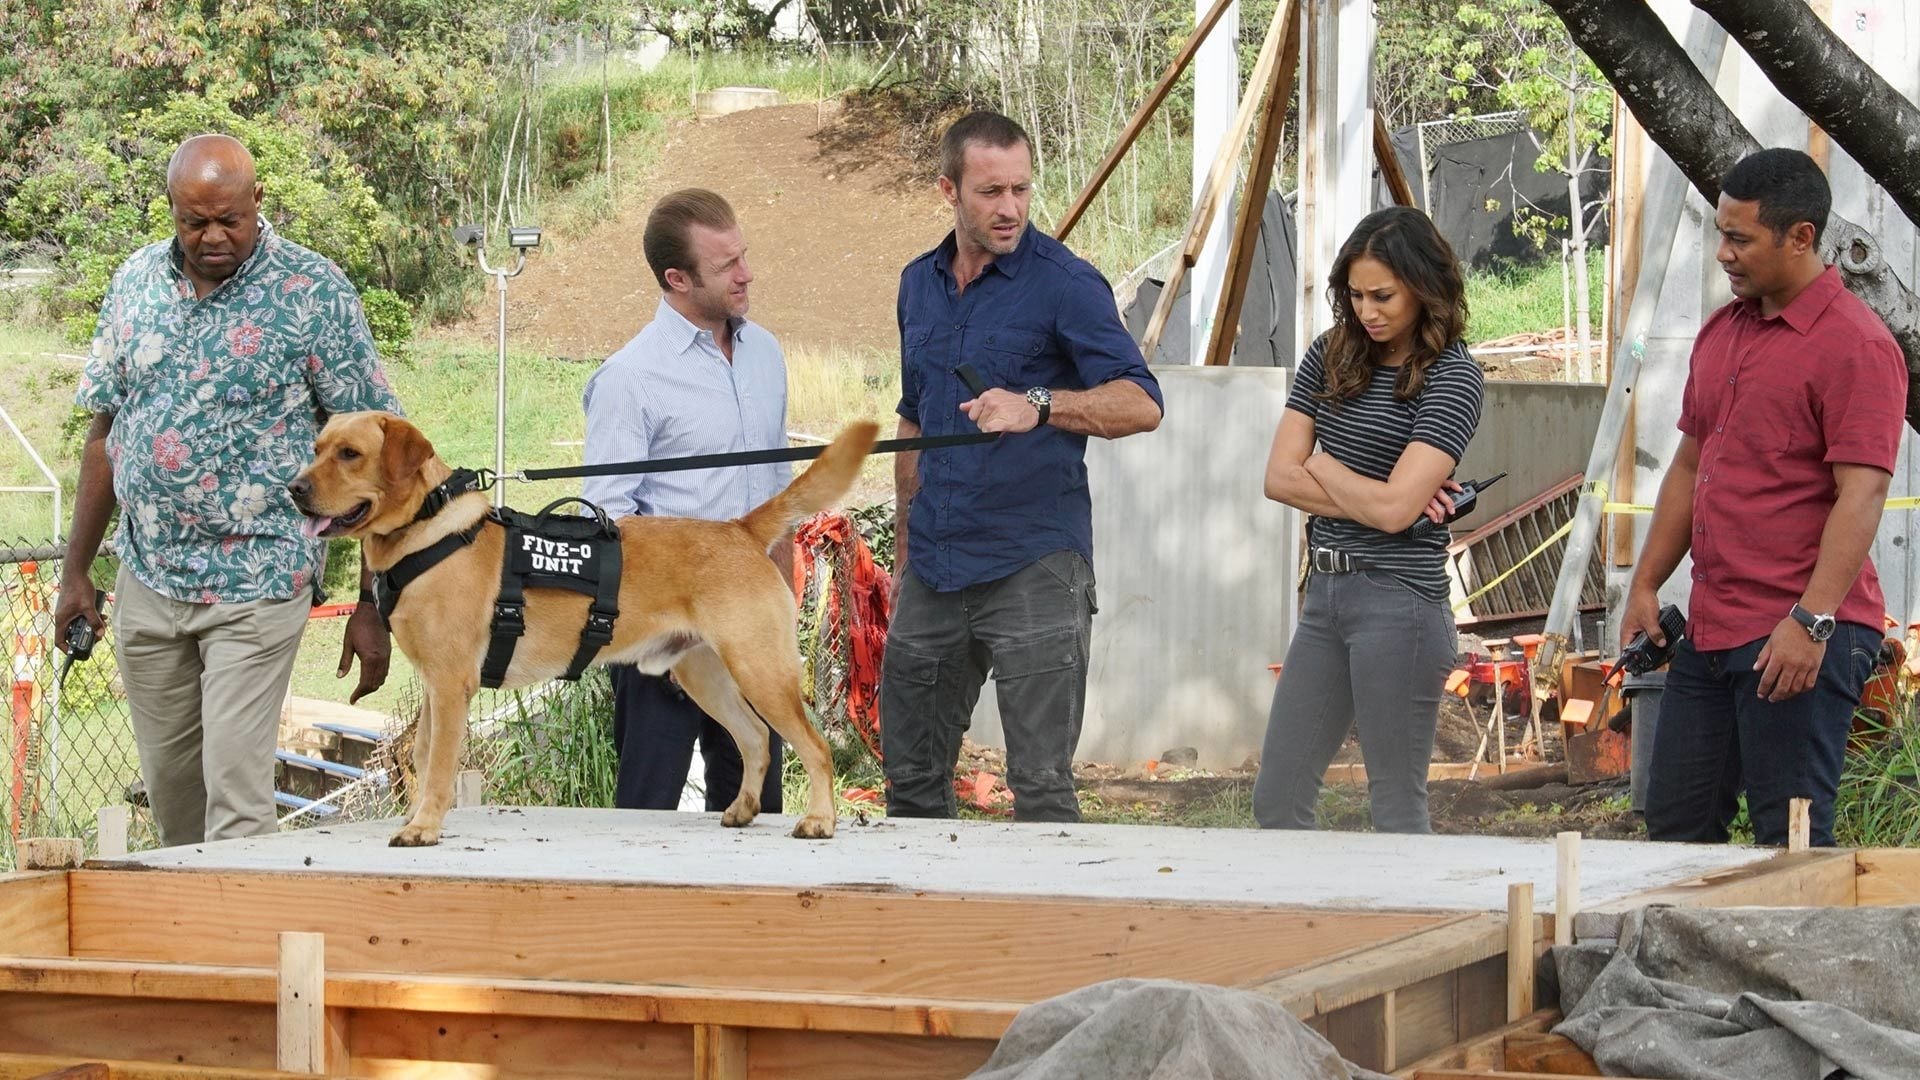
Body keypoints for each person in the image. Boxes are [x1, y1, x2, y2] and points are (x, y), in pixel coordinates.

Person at [54, 134, 402, 847]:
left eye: (229, 220)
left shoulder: (313, 292)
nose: (212, 237)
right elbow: (104, 432)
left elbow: (375, 455)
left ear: (257, 202)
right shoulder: (136, 282)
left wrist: (371, 603)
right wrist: (76, 572)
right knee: (175, 803)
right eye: (194, 221)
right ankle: (194, 919)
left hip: (258, 578)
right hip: (149, 576)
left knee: (237, 802)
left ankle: (247, 921)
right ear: (171, 211)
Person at [880, 111, 1163, 824]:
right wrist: (905, 547)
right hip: (935, 566)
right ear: (949, 190)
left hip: (1034, 563)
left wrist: (1039, 404)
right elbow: (914, 421)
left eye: (1021, 189)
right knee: (910, 783)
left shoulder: (1067, 284)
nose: (1010, 208)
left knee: (1039, 788)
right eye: (990, 192)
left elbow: (1142, 403)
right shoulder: (917, 285)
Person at [1622, 148, 1906, 848]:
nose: (1723, 253)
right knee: (1675, 831)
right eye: (1721, 233)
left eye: (1740, 238)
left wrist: (1812, 621)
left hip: (1801, 627)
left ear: (1801, 237)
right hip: (1714, 626)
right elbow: (1689, 465)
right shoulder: (1723, 331)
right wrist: (1646, 582)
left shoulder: (1858, 345)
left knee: (1790, 840)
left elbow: (1863, 493)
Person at [1253, 206, 1483, 835]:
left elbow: (1395, 510)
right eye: (1355, 296)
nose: (1367, 311)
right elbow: (1278, 478)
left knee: (1396, 808)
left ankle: (1414, 905)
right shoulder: (1330, 354)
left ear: (1424, 287)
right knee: (1278, 800)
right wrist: (1381, 498)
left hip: (1400, 601)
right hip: (1325, 594)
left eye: (1383, 296)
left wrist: (1322, 464)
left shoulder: (1453, 376)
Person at [582, 188, 789, 816]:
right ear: (678, 279)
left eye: (743, 256)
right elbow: (604, 522)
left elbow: (776, 490)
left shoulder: (766, 354)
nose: (747, 274)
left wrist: (780, 604)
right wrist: (661, 635)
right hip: (657, 635)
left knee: (759, 816)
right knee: (648, 821)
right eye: (727, 266)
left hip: (749, 623)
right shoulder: (629, 378)